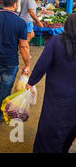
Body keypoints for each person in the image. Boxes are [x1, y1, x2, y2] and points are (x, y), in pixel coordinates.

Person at [26, 14, 76, 153]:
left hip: (56, 96)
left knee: (51, 124)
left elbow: (42, 64)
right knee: (70, 126)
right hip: (73, 98)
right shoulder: (56, 41)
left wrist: (31, 82)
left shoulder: (56, 41)